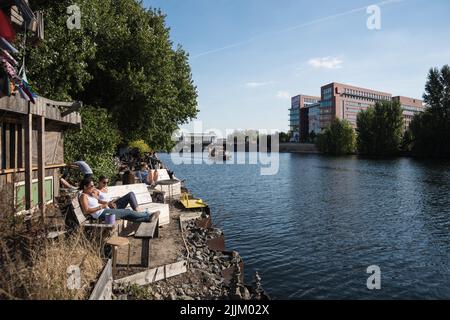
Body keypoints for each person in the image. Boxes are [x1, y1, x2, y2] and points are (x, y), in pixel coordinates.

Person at [78, 177, 159, 223]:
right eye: (91, 186)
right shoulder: (83, 196)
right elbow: (86, 210)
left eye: (93, 185)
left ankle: (147, 219)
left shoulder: (90, 194)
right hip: (100, 214)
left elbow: (99, 202)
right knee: (127, 211)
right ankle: (148, 215)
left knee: (127, 215)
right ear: (85, 187)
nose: (93, 187)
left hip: (104, 210)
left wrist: (107, 203)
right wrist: (101, 207)